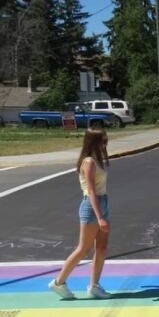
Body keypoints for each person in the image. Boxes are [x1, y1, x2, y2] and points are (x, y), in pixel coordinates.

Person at [48, 127, 112, 299]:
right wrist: (100, 217)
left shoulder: (98, 159)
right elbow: (91, 191)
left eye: (106, 141)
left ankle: (94, 285)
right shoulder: (89, 162)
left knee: (102, 247)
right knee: (83, 248)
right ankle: (58, 282)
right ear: (94, 142)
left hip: (102, 202)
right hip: (92, 206)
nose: (106, 144)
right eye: (103, 141)